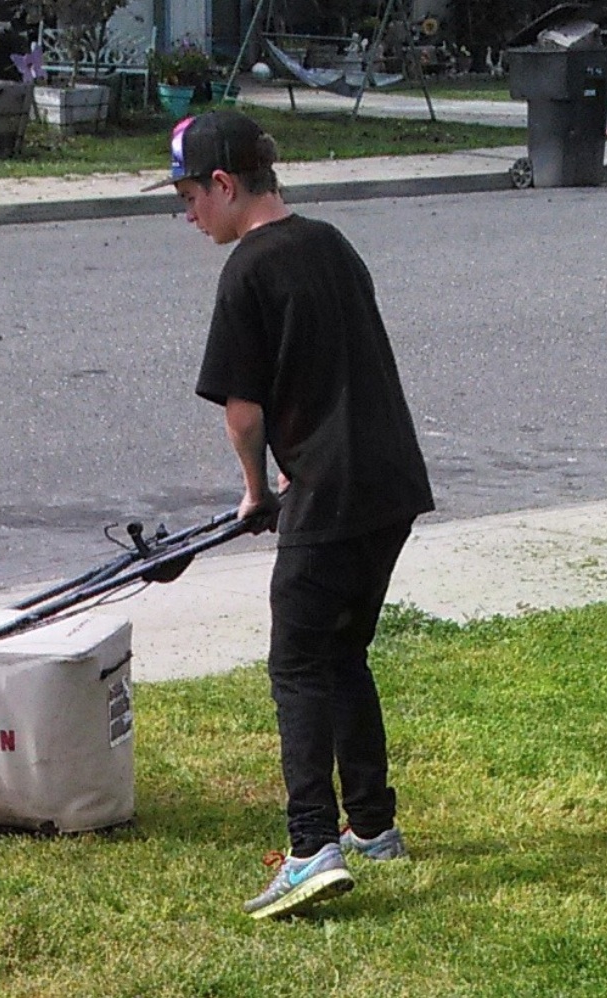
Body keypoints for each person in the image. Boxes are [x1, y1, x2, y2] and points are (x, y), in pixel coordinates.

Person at [144, 110, 434, 920]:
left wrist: (256, 490)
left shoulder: (247, 270)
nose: (188, 213)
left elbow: (244, 411)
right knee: (343, 652)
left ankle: (311, 848)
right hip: (391, 483)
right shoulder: (330, 243)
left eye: (189, 195)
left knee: (298, 662)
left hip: (331, 487)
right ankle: (374, 828)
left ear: (226, 186)